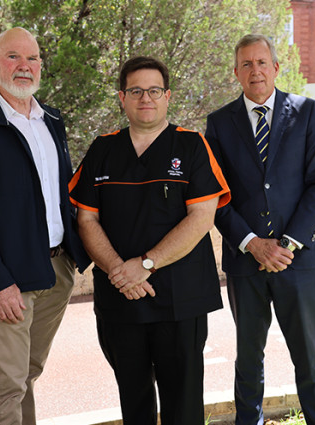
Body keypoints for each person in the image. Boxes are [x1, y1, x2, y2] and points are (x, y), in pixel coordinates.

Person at [69, 56, 230, 425]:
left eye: (154, 90)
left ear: (168, 96)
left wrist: (144, 265)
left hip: (181, 298)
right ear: (122, 98)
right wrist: (119, 271)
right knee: (133, 399)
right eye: (136, 90)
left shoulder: (192, 146)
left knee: (184, 404)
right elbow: (86, 219)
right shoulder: (102, 150)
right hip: (120, 296)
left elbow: (202, 218)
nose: (146, 98)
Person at [0, 27, 90, 425]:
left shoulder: (52, 120)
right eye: (13, 57)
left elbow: (63, 194)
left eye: (33, 58)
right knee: (6, 385)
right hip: (7, 280)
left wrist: (75, 258)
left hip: (56, 271)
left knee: (25, 376)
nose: (24, 66)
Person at [205, 34, 315, 425]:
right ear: (236, 73)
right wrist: (252, 244)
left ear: (276, 68)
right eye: (246, 64)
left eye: (262, 62)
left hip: (297, 261)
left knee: (309, 357)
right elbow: (217, 195)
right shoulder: (219, 123)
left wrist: (287, 244)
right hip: (246, 264)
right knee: (248, 359)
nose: (255, 70)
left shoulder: (307, 112)